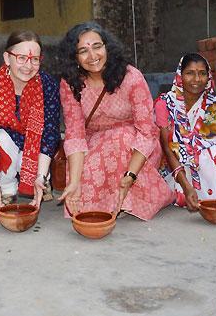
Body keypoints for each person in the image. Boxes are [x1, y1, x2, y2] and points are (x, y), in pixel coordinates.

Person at [57, 22, 174, 219]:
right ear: (75, 57)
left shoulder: (130, 77)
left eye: (97, 47)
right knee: (82, 186)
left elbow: (147, 131)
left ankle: (128, 199)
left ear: (107, 47)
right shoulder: (70, 82)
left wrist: (130, 176)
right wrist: (74, 182)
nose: (92, 56)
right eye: (83, 51)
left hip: (137, 146)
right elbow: (75, 134)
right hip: (95, 143)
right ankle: (106, 205)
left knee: (119, 139)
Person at [0, 30, 60, 217]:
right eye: (21, 58)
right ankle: (6, 187)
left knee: (39, 160)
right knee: (1, 138)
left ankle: (40, 180)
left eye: (34, 59)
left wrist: (40, 176)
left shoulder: (48, 85)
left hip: (34, 146)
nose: (28, 66)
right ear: (7, 58)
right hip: (5, 148)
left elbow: (50, 133)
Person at [155, 53, 216, 211]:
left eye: (202, 73)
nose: (197, 79)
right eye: (190, 73)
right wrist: (187, 186)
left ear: (208, 76)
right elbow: (168, 150)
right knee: (200, 154)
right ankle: (188, 192)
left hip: (211, 169)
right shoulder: (166, 104)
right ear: (180, 75)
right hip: (177, 170)